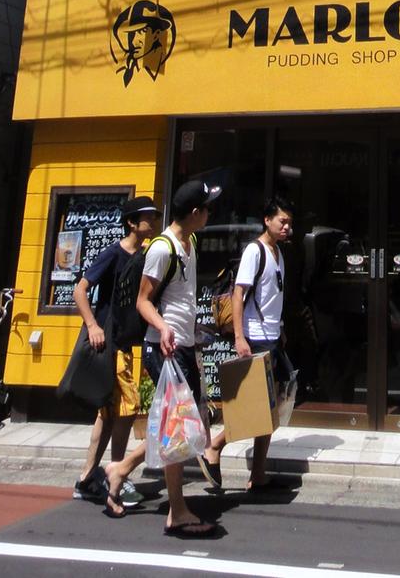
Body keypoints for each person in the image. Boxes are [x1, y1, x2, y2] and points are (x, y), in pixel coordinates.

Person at [135, 178, 221, 538]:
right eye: (207, 207)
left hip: (183, 346)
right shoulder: (162, 249)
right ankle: (178, 511)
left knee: (187, 426)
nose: (210, 213)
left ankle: (121, 469)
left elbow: (183, 296)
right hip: (163, 349)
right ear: (195, 213)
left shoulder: (191, 241)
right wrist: (164, 328)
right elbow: (143, 301)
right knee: (178, 429)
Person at [71, 195, 160, 509]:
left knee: (108, 415)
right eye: (147, 217)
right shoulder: (113, 253)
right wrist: (93, 326)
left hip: (126, 341)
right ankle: (116, 474)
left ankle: (86, 478)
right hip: (111, 342)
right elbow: (80, 289)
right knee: (127, 407)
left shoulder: (147, 255)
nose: (154, 220)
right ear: (132, 223)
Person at [200, 195, 294, 492]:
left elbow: (273, 296)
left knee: (270, 408)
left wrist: (281, 330)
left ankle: (258, 474)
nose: (286, 227)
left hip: (272, 336)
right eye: (282, 221)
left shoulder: (278, 253)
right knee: (251, 407)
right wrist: (240, 337)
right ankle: (215, 446)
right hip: (253, 337)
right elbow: (238, 294)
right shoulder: (255, 251)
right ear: (267, 220)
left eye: (289, 222)